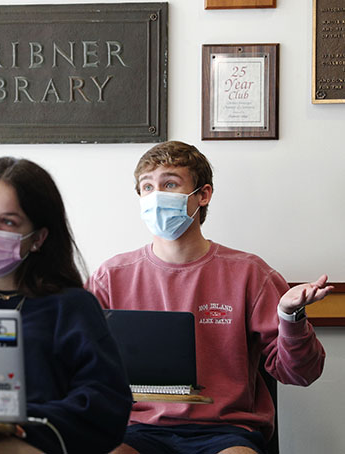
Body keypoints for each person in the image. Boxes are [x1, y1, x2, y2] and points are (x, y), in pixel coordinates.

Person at [86, 140, 332, 454]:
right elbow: (78, 364)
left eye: (170, 184)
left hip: (226, 432)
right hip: (135, 429)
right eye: (147, 187)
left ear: (203, 195)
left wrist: (290, 318)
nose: (156, 196)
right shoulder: (110, 276)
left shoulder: (250, 274)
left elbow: (302, 373)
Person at [0, 156, 132, 454]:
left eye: (7, 221)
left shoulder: (72, 308)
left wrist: (22, 423)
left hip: (42, 444)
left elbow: (105, 404)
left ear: (38, 238)